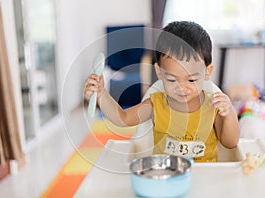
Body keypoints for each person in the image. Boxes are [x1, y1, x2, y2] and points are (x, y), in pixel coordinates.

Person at [84, 21, 240, 162]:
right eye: (172, 80)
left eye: (191, 80)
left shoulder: (212, 104)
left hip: (206, 178)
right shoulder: (155, 103)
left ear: (207, 72)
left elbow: (230, 143)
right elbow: (123, 118)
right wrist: (101, 94)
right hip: (165, 178)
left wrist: (229, 114)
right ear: (159, 72)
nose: (181, 88)